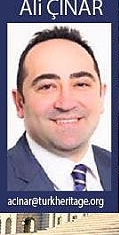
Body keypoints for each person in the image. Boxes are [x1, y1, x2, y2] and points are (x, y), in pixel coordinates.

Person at [7, 26, 111, 191]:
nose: (66, 104)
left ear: (102, 96)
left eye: (81, 84)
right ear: (19, 103)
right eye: (47, 86)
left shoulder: (113, 168)